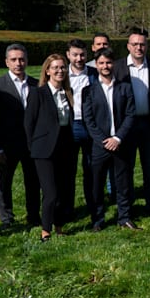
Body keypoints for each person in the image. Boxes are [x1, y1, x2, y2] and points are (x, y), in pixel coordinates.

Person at [82, 48, 139, 231]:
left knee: (123, 183)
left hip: (121, 143)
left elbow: (131, 114)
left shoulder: (125, 87)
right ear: (96, 65)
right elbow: (88, 120)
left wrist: (118, 138)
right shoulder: (88, 91)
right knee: (97, 185)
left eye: (108, 62)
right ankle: (98, 220)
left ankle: (125, 217)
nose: (105, 66)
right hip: (100, 146)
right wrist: (104, 140)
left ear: (113, 64)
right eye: (101, 63)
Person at [25, 54, 77, 242]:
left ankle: (59, 225)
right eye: (55, 68)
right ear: (47, 71)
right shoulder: (38, 93)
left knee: (63, 190)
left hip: (65, 146)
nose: (59, 71)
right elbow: (29, 123)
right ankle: (45, 230)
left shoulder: (68, 92)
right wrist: (33, 147)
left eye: (62, 67)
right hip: (44, 149)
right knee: (50, 192)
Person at [113, 32, 150, 213]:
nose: (138, 47)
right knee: (125, 168)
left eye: (142, 44)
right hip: (126, 126)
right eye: (134, 44)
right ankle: (126, 205)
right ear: (128, 46)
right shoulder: (117, 67)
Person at [0, 43, 40, 228]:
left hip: (31, 144)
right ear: (6, 62)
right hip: (7, 145)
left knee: (33, 182)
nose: (18, 63)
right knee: (5, 183)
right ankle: (6, 218)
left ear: (26, 60)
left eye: (21, 59)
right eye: (14, 60)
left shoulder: (36, 84)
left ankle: (33, 216)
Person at [66, 39, 97, 221]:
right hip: (70, 126)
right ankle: (68, 208)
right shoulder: (62, 74)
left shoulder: (94, 74)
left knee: (91, 169)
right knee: (69, 170)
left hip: (90, 126)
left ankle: (93, 204)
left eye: (82, 55)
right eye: (75, 55)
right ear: (68, 55)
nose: (79, 58)